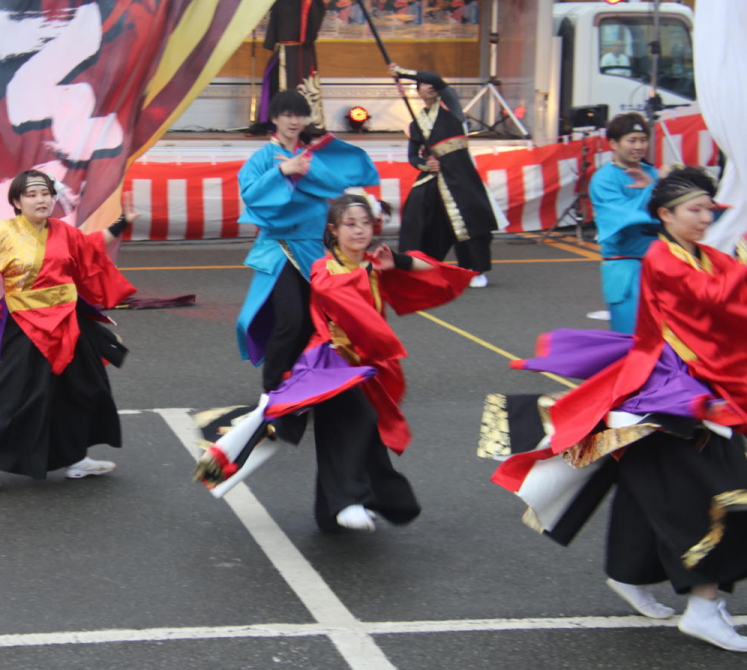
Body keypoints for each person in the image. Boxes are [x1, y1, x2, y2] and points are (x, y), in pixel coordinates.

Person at [488, 167, 747, 652]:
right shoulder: (662, 259)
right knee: (719, 490)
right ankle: (703, 605)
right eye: (695, 209)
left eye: (710, 209)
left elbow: (732, 302)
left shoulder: (709, 256)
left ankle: (631, 572)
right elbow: (713, 297)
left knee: (649, 482)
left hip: (689, 388)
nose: (705, 217)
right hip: (667, 394)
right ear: (665, 215)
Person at [198, 194, 474, 531]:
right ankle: (348, 500)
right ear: (333, 230)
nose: (359, 230)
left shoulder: (372, 264)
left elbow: (437, 273)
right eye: (350, 224)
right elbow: (337, 293)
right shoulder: (324, 268)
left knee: (355, 432)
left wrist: (398, 262)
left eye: (366, 223)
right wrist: (370, 269)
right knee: (359, 419)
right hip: (327, 365)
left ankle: (334, 511)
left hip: (364, 367)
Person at [0, 170, 138, 493]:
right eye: (31, 195)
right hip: (23, 323)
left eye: (45, 193)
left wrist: (121, 223)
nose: (41, 200)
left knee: (81, 391)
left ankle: (76, 459)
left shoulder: (64, 231)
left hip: (68, 323)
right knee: (3, 395)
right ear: (16, 202)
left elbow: (90, 247)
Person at [236, 90, 379, 394]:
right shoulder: (262, 158)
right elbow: (250, 194)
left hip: (314, 249)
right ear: (275, 119)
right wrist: (282, 171)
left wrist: (305, 171)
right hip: (279, 249)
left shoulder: (312, 156)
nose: (294, 121)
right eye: (287, 115)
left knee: (315, 322)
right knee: (290, 320)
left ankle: (301, 382)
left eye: (299, 115)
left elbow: (337, 186)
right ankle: (272, 391)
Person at [390, 64, 500, 288]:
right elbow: (412, 156)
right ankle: (419, 266)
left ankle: (473, 269)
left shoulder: (452, 108)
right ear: (418, 91)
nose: (429, 86)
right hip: (433, 179)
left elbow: (435, 78)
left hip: (461, 178)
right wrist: (425, 165)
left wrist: (401, 72)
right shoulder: (416, 124)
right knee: (417, 219)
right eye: (423, 85)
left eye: (431, 84)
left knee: (469, 222)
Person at [589, 113, 658, 333]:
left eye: (643, 140)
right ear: (613, 143)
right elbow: (623, 218)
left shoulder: (651, 173)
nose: (639, 146)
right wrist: (653, 191)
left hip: (660, 262)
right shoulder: (604, 179)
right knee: (630, 334)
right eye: (632, 140)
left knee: (665, 335)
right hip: (625, 264)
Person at [261, 0, 331, 129]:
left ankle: (307, 124)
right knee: (274, 80)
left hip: (302, 49)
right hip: (283, 48)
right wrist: (271, 42)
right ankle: (275, 122)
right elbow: (275, 19)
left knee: (304, 86)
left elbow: (317, 14)